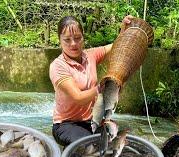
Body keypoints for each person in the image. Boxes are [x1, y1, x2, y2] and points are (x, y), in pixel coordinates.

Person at [49, 15, 133, 147]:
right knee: (91, 146)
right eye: (67, 40)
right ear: (59, 40)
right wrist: (102, 88)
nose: (73, 44)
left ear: (83, 37)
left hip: (92, 121)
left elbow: (116, 46)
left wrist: (123, 30)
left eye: (77, 38)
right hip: (66, 124)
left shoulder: (90, 55)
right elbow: (78, 97)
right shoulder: (58, 66)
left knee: (119, 142)